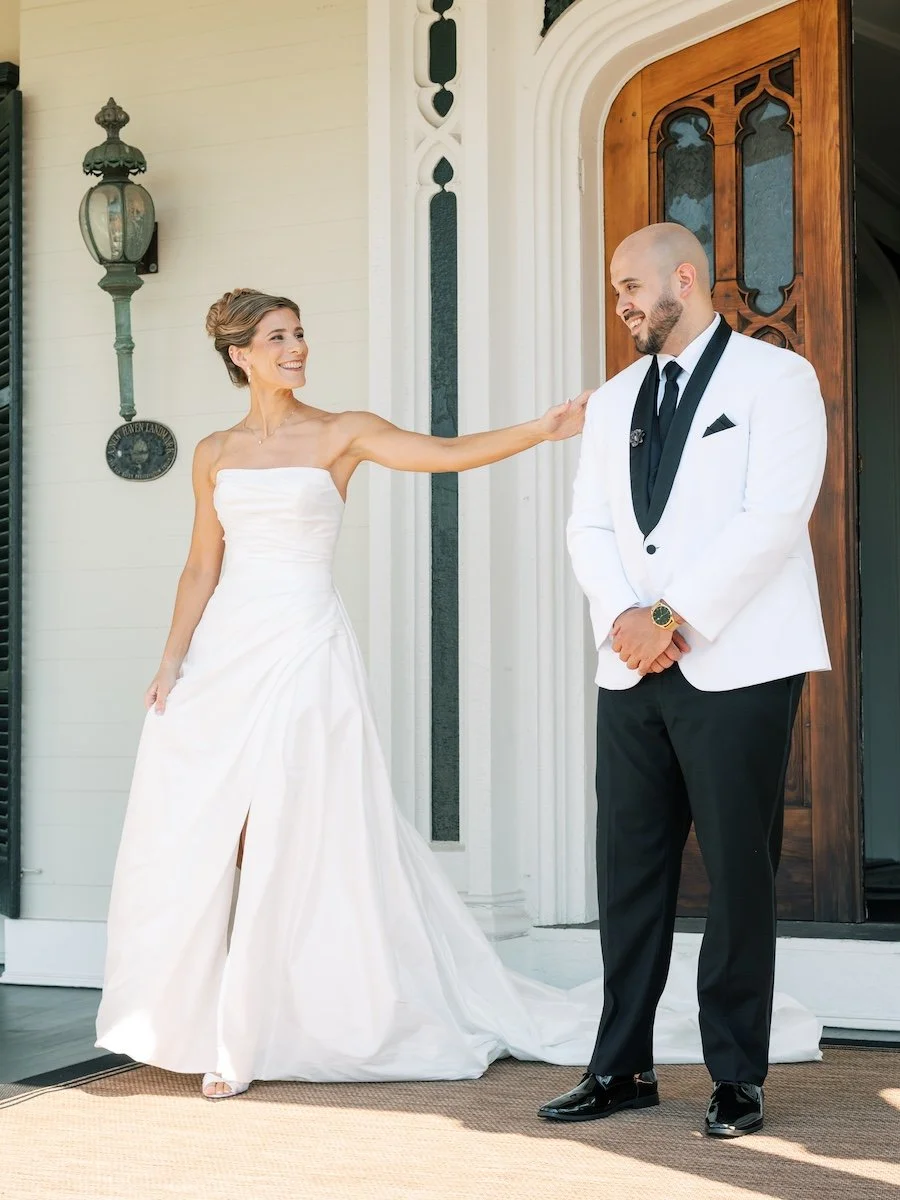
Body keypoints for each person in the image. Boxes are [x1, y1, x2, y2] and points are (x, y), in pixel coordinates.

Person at [97, 286, 601, 1099]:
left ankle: (246, 1037)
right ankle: (209, 1015)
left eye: (299, 332)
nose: (296, 348)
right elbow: (201, 565)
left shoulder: (342, 433)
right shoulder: (214, 451)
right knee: (208, 832)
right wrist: (171, 661)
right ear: (240, 355)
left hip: (303, 646)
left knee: (283, 827)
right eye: (276, 337)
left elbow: (445, 451)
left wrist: (541, 430)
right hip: (226, 654)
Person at [539, 224, 830, 1137]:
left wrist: (672, 618)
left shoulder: (777, 378)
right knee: (628, 875)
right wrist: (628, 622)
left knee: (741, 873)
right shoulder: (615, 397)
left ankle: (737, 1075)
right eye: (616, 289)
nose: (621, 303)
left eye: (633, 285)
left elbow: (775, 514)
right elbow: (587, 527)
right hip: (629, 671)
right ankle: (620, 1066)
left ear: (685, 277)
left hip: (738, 658)